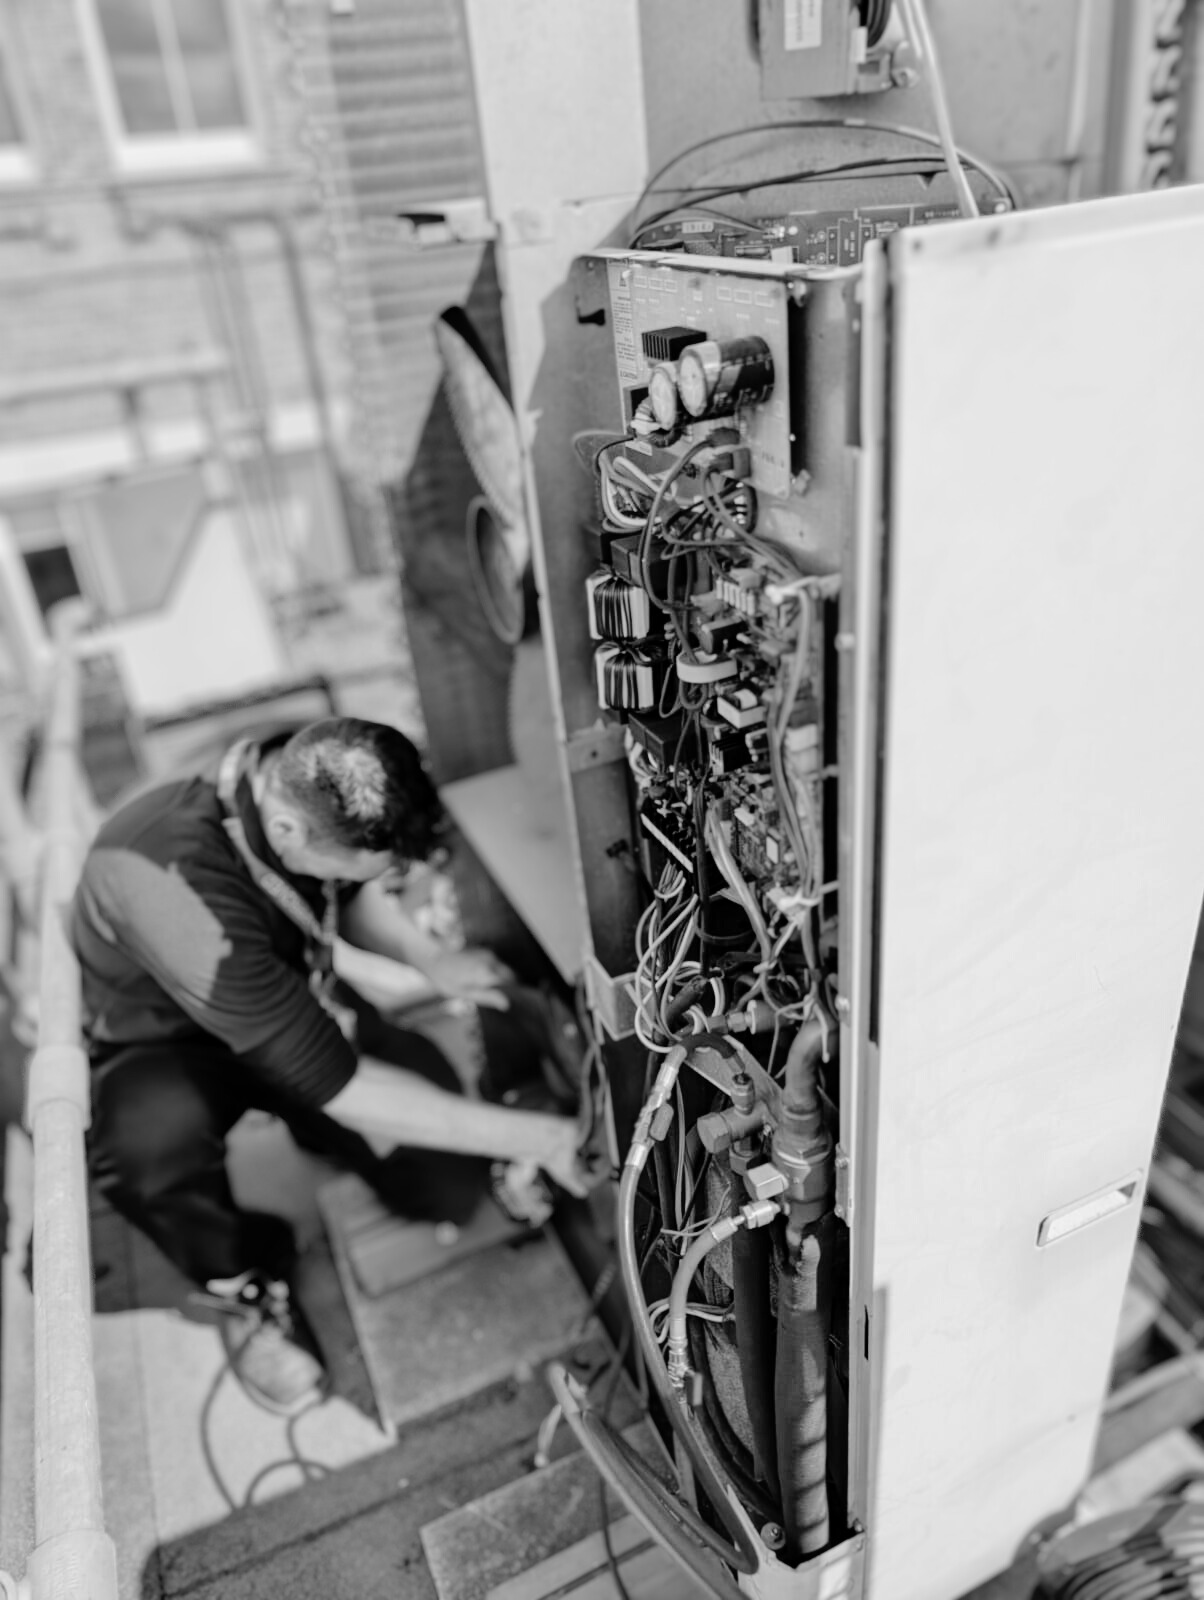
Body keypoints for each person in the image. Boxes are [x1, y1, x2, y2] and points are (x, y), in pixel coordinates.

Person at [72, 717, 587, 1415]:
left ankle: (320, 1138)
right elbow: (340, 1084)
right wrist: (549, 1140)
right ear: (287, 833)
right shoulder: (170, 884)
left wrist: (430, 958)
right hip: (164, 1041)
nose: (364, 882)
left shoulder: (302, 774)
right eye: (356, 868)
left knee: (448, 1185)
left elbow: (346, 894)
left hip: (287, 995)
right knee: (147, 1151)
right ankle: (243, 1279)